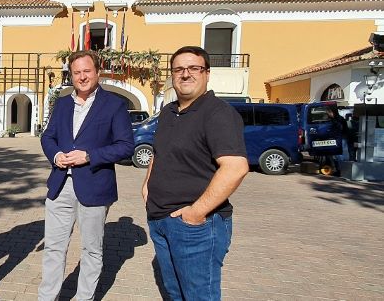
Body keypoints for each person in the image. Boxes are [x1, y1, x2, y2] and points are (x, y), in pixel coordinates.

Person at [142, 46, 249, 301]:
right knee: (175, 294)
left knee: (199, 296)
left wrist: (195, 213)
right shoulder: (169, 112)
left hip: (196, 227)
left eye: (194, 68)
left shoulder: (218, 113)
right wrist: (147, 185)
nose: (185, 74)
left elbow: (236, 167)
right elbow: (159, 152)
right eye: (179, 69)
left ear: (207, 74)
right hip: (160, 219)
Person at [39, 50, 134, 300]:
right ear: (71, 75)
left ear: (97, 72)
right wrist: (56, 155)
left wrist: (89, 155)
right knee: (53, 248)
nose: (82, 77)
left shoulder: (115, 104)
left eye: (87, 71)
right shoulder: (61, 103)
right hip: (60, 185)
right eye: (77, 72)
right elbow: (48, 137)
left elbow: (126, 146)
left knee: (91, 251)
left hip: (95, 186)